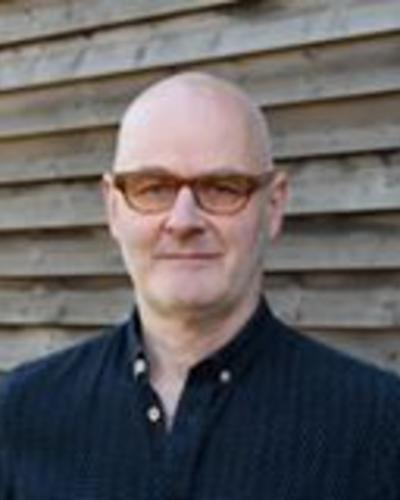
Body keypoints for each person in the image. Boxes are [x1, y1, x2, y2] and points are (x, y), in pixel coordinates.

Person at [1, 72, 399, 499]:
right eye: (153, 188)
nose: (184, 221)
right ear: (113, 208)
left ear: (273, 205)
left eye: (223, 188)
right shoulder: (18, 414)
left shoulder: (380, 428)